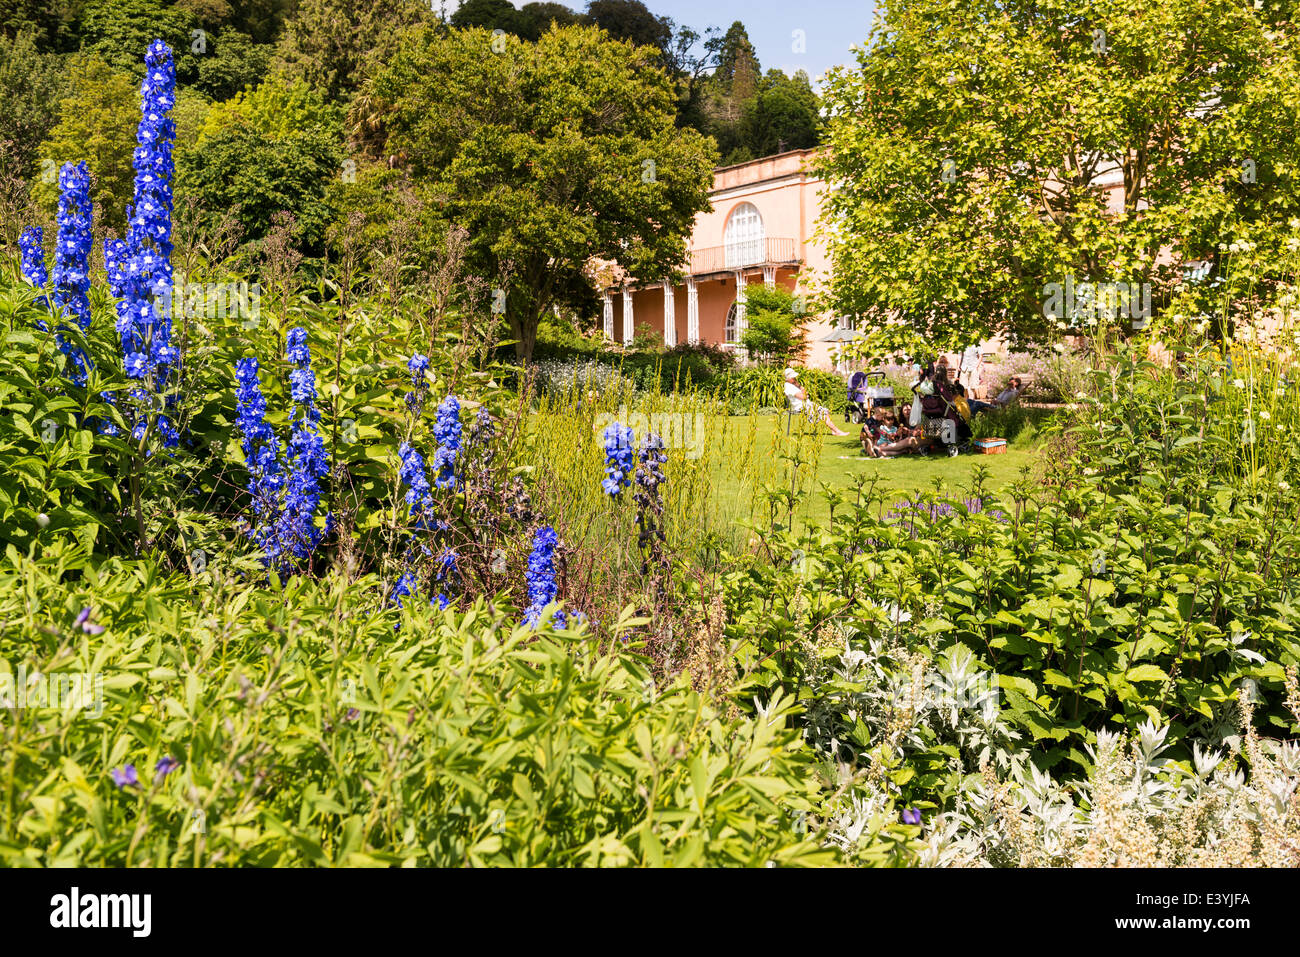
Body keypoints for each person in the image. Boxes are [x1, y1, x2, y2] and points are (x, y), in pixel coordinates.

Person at [784, 367, 849, 436]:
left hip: (807, 404)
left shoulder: (793, 385)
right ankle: (837, 431)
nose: (795, 379)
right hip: (801, 407)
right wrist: (803, 392)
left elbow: (805, 395)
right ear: (789, 378)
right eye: (793, 377)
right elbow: (804, 397)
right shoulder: (789, 387)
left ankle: (833, 431)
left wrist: (800, 386)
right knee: (823, 414)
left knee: (825, 412)